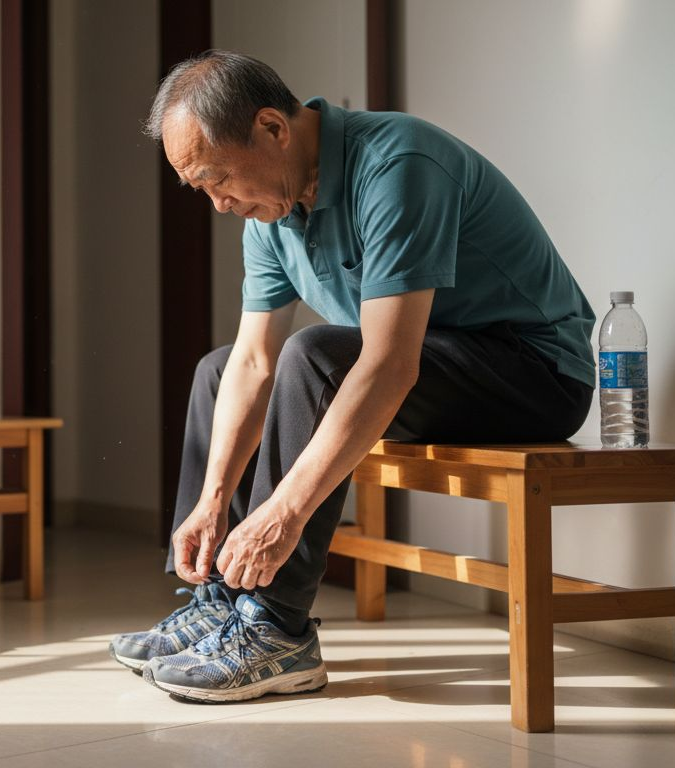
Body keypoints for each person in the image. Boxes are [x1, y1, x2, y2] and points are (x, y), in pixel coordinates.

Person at [109, 50, 595, 703]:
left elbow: (389, 364)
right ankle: (220, 599)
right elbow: (254, 362)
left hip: (535, 372)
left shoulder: (398, 165)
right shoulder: (271, 209)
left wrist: (279, 514)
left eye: (217, 177)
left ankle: (275, 631)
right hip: (434, 366)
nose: (219, 204)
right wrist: (213, 501)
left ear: (273, 129)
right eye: (202, 187)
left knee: (315, 356)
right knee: (219, 367)